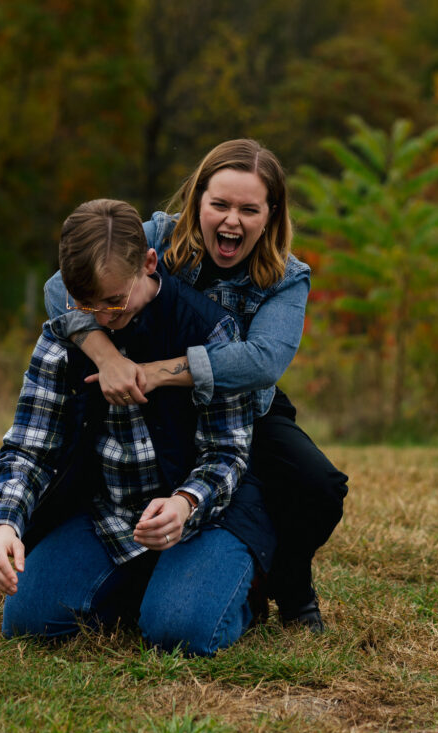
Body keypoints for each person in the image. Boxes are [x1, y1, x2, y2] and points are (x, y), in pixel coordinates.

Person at [44, 139, 349, 632]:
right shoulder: (157, 239)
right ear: (197, 201)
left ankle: (289, 583)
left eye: (249, 209)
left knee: (318, 484)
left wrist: (154, 370)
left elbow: (262, 361)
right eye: (220, 205)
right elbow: (60, 287)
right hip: (144, 406)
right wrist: (108, 358)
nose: (232, 221)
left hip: (244, 406)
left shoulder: (286, 277)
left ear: (271, 215)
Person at [0, 199, 275, 655]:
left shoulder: (210, 329)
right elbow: (27, 448)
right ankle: (147, 585)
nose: (100, 318)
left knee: (179, 633)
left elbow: (227, 454)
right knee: (28, 622)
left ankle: (234, 585)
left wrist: (184, 503)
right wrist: (4, 526)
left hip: (202, 518)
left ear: (149, 263)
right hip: (111, 513)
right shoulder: (65, 333)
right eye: (85, 304)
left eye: (115, 302)